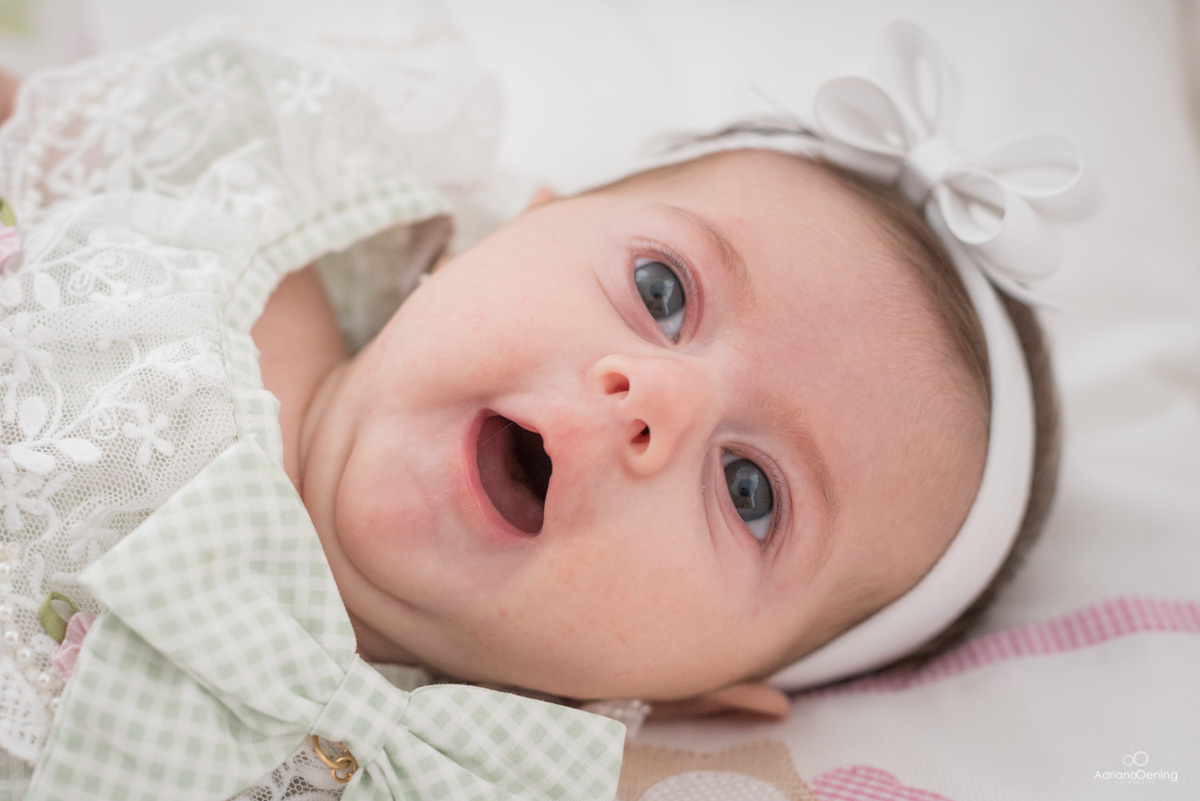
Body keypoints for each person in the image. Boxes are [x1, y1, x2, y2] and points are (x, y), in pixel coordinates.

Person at [0, 15, 1093, 801]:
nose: (653, 395)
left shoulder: (438, 779)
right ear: (507, 229)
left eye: (752, 491)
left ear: (708, 697)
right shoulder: (212, 223)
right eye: (663, 291)